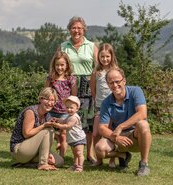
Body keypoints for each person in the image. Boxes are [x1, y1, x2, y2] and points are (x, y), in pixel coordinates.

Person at [95, 68, 152, 176]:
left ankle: (144, 164)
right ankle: (123, 155)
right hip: (118, 137)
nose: (115, 85)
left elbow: (142, 113)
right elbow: (102, 128)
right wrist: (115, 137)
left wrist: (121, 126)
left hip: (135, 135)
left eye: (117, 81)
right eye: (111, 82)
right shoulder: (106, 102)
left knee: (143, 124)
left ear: (124, 81)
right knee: (99, 149)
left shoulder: (136, 91)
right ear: (107, 84)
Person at [60, 16, 98, 164]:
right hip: (70, 85)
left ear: (84, 30)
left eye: (79, 28)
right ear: (69, 29)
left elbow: (99, 65)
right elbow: (58, 65)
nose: (76, 31)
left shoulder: (91, 45)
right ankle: (70, 154)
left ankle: (89, 154)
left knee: (88, 123)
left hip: (88, 86)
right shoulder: (63, 46)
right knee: (69, 120)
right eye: (74, 28)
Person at [10, 87, 64, 171]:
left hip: (33, 150)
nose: (50, 103)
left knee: (59, 162)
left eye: (53, 100)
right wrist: (44, 125)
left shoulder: (47, 115)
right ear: (41, 99)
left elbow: (43, 136)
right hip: (19, 150)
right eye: (47, 99)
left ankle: (28, 163)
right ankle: (43, 164)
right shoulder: (31, 112)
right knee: (48, 130)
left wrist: (59, 139)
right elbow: (27, 134)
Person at [90, 43, 118, 167]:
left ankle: (113, 159)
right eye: (102, 57)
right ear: (99, 57)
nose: (105, 59)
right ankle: (99, 159)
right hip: (100, 107)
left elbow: (120, 89)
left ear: (112, 56)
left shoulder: (116, 70)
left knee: (111, 133)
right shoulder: (96, 72)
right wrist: (96, 102)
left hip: (113, 106)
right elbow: (93, 90)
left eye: (107, 56)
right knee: (96, 133)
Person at [45, 51, 77, 157]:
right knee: (48, 130)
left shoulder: (71, 79)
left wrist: (73, 111)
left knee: (64, 134)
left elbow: (74, 97)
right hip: (52, 110)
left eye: (62, 65)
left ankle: (61, 157)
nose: (59, 68)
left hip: (65, 111)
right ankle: (53, 144)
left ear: (67, 65)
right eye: (57, 65)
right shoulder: (50, 78)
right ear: (54, 65)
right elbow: (46, 93)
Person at [50, 96, 86, 172]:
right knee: (75, 153)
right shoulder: (69, 116)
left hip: (79, 138)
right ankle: (75, 165)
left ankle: (80, 166)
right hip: (73, 139)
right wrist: (57, 120)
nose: (69, 109)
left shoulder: (74, 117)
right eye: (67, 107)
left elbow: (67, 126)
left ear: (77, 108)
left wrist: (57, 125)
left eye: (71, 108)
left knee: (79, 153)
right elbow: (63, 121)